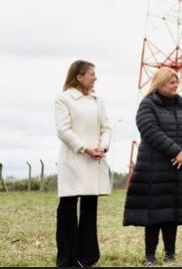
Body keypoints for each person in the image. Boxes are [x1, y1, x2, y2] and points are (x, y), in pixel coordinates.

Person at [123, 67, 182, 265]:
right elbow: (151, 131)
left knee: (172, 213)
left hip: (177, 168)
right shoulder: (147, 105)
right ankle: (150, 256)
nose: (175, 85)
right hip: (153, 168)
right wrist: (177, 151)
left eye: (176, 82)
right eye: (171, 82)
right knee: (153, 214)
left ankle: (170, 254)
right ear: (160, 83)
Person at [54, 60, 112, 267]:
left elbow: (106, 127)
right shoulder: (64, 99)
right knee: (68, 208)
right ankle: (67, 258)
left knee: (90, 209)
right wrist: (85, 148)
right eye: (91, 74)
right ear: (79, 77)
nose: (95, 77)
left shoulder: (98, 100)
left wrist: (102, 147)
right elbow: (63, 130)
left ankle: (87, 257)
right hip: (74, 159)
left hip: (94, 159)